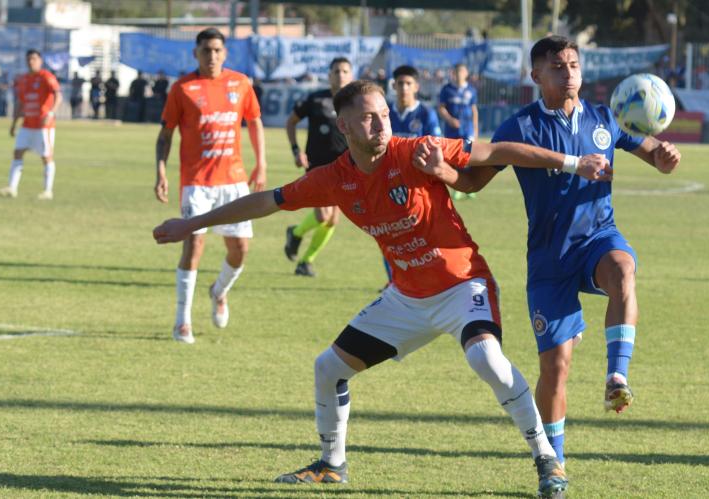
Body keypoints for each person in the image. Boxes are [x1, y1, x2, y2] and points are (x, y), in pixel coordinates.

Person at [152, 79, 618, 498]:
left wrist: (574, 162)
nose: (381, 124)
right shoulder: (334, 179)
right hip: (406, 299)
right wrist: (192, 223)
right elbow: (267, 202)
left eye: (385, 114)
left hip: (462, 285)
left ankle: (545, 458)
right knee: (328, 369)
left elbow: (499, 152)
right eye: (369, 117)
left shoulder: (414, 149)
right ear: (345, 125)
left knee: (486, 358)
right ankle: (332, 465)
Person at [415, 36, 681, 467]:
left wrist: (665, 157)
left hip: (598, 238)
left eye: (574, 65)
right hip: (548, 259)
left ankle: (617, 374)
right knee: (556, 368)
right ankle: (552, 462)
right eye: (557, 66)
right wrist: (442, 170)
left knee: (623, 270)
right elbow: (472, 182)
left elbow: (653, 153)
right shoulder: (519, 127)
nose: (569, 73)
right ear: (536, 75)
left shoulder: (603, 118)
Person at [154, 27, 267, 344]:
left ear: (225, 53)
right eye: (206, 50)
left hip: (233, 180)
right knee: (193, 246)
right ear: (196, 53)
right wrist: (161, 171)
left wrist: (262, 162)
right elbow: (165, 134)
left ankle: (219, 292)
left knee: (240, 249)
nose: (212, 56)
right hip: (196, 183)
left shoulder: (240, 83)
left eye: (217, 50)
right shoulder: (182, 88)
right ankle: (182, 321)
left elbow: (254, 121)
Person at [282, 57, 352, 277]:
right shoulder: (315, 99)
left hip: (343, 168)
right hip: (317, 166)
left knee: (332, 220)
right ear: (329, 75)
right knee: (322, 216)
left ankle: (305, 259)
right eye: (336, 71)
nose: (340, 75)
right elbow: (291, 122)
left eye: (345, 71)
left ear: (350, 75)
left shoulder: (355, 102)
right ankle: (296, 234)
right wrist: (296, 150)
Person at [382, 64, 444, 285]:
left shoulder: (426, 113)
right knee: (389, 235)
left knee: (421, 235)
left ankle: (423, 279)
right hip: (387, 183)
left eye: (408, 83)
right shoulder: (385, 113)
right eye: (400, 83)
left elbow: (436, 146)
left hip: (418, 185)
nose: (403, 88)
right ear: (394, 85)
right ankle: (395, 282)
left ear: (416, 86)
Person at [0, 49, 62, 200]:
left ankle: (48, 191)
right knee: (18, 152)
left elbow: (58, 95)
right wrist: (14, 123)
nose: (31, 62)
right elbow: (21, 102)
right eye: (28, 59)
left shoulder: (46, 76)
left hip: (43, 125)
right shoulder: (24, 79)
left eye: (34, 58)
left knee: (46, 156)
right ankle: (12, 188)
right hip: (27, 124)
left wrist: (51, 113)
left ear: (40, 60)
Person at [438, 63, 480, 201]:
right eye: (457, 71)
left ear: (466, 73)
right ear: (453, 73)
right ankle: (457, 187)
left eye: (462, 71)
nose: (459, 74)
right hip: (452, 130)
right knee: (454, 158)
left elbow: (474, 110)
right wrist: (450, 120)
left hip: (467, 129)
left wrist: (475, 128)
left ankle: (470, 188)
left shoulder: (471, 90)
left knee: (468, 157)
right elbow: (441, 108)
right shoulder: (447, 89)